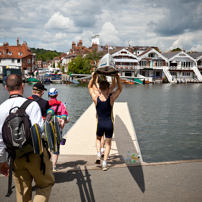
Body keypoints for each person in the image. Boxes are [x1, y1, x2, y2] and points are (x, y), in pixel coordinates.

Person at [0, 74, 55, 201]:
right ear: (22, 86)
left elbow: (0, 140)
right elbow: (39, 130)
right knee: (45, 184)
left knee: (23, 194)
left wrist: (2, 161)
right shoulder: (31, 105)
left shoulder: (1, 108)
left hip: (15, 157)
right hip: (36, 154)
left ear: (6, 87)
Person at [88, 72, 122, 171]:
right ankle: (105, 163)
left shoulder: (95, 98)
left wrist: (93, 77)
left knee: (98, 139)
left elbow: (90, 87)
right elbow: (119, 89)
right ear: (108, 88)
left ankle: (99, 153)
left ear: (99, 89)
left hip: (100, 124)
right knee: (108, 144)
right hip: (109, 124)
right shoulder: (111, 98)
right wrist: (117, 78)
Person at [93, 76, 116, 157]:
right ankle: (103, 150)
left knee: (100, 136)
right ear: (107, 87)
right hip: (108, 117)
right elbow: (114, 85)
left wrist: (95, 78)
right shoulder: (109, 92)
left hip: (99, 116)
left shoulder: (97, 93)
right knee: (106, 138)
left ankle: (101, 149)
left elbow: (94, 85)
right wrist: (114, 77)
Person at [48, 88, 69, 172]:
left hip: (48, 128)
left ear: (49, 95)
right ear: (57, 95)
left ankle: (48, 165)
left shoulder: (47, 104)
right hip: (58, 127)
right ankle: (54, 166)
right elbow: (65, 115)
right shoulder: (61, 104)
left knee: (49, 147)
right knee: (56, 147)